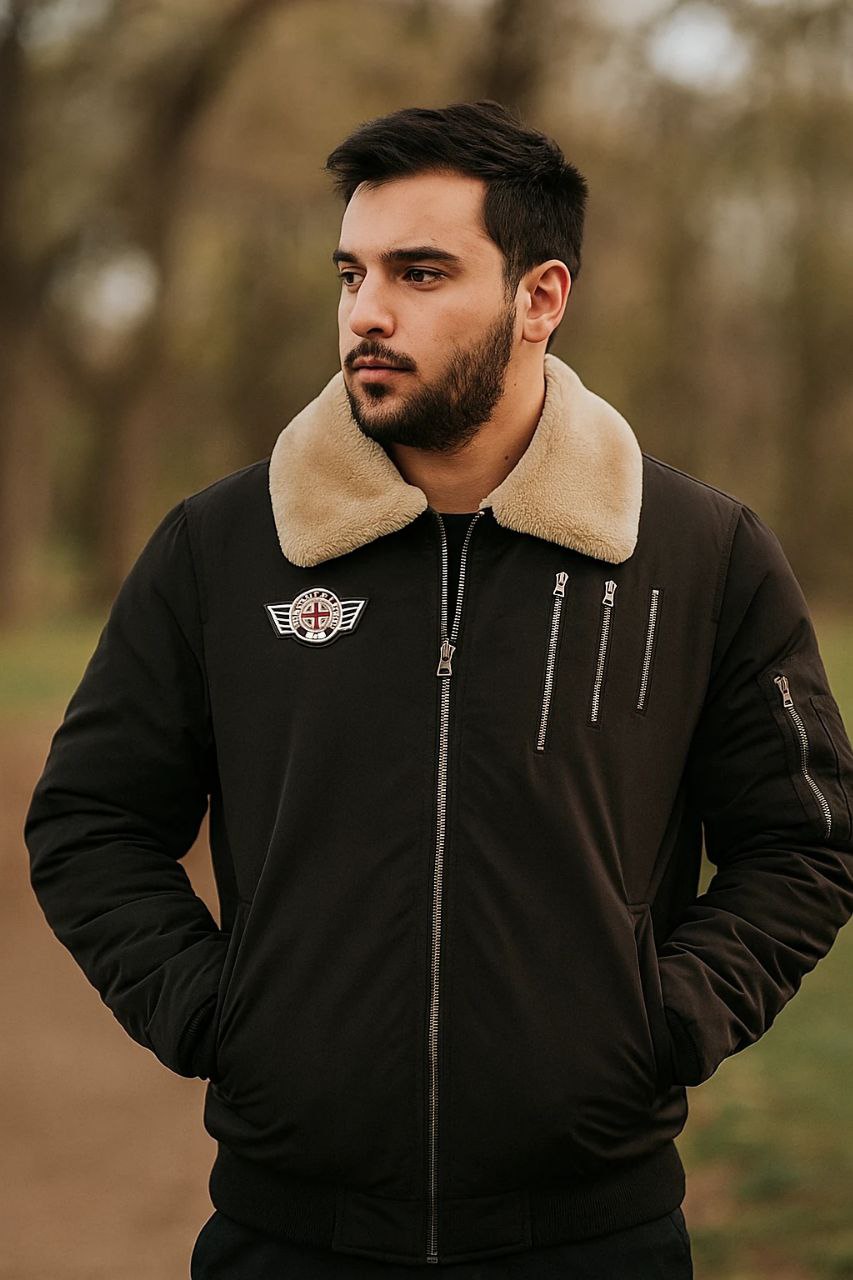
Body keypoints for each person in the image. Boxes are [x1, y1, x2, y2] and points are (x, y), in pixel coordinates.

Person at [25, 100, 853, 1279]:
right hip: (287, 1232)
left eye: (419, 272)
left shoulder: (698, 553)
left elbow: (806, 838)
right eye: (352, 272)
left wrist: (666, 1020)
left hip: (594, 1234)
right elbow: (90, 819)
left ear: (540, 297)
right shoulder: (221, 547)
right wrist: (217, 1012)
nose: (366, 310)